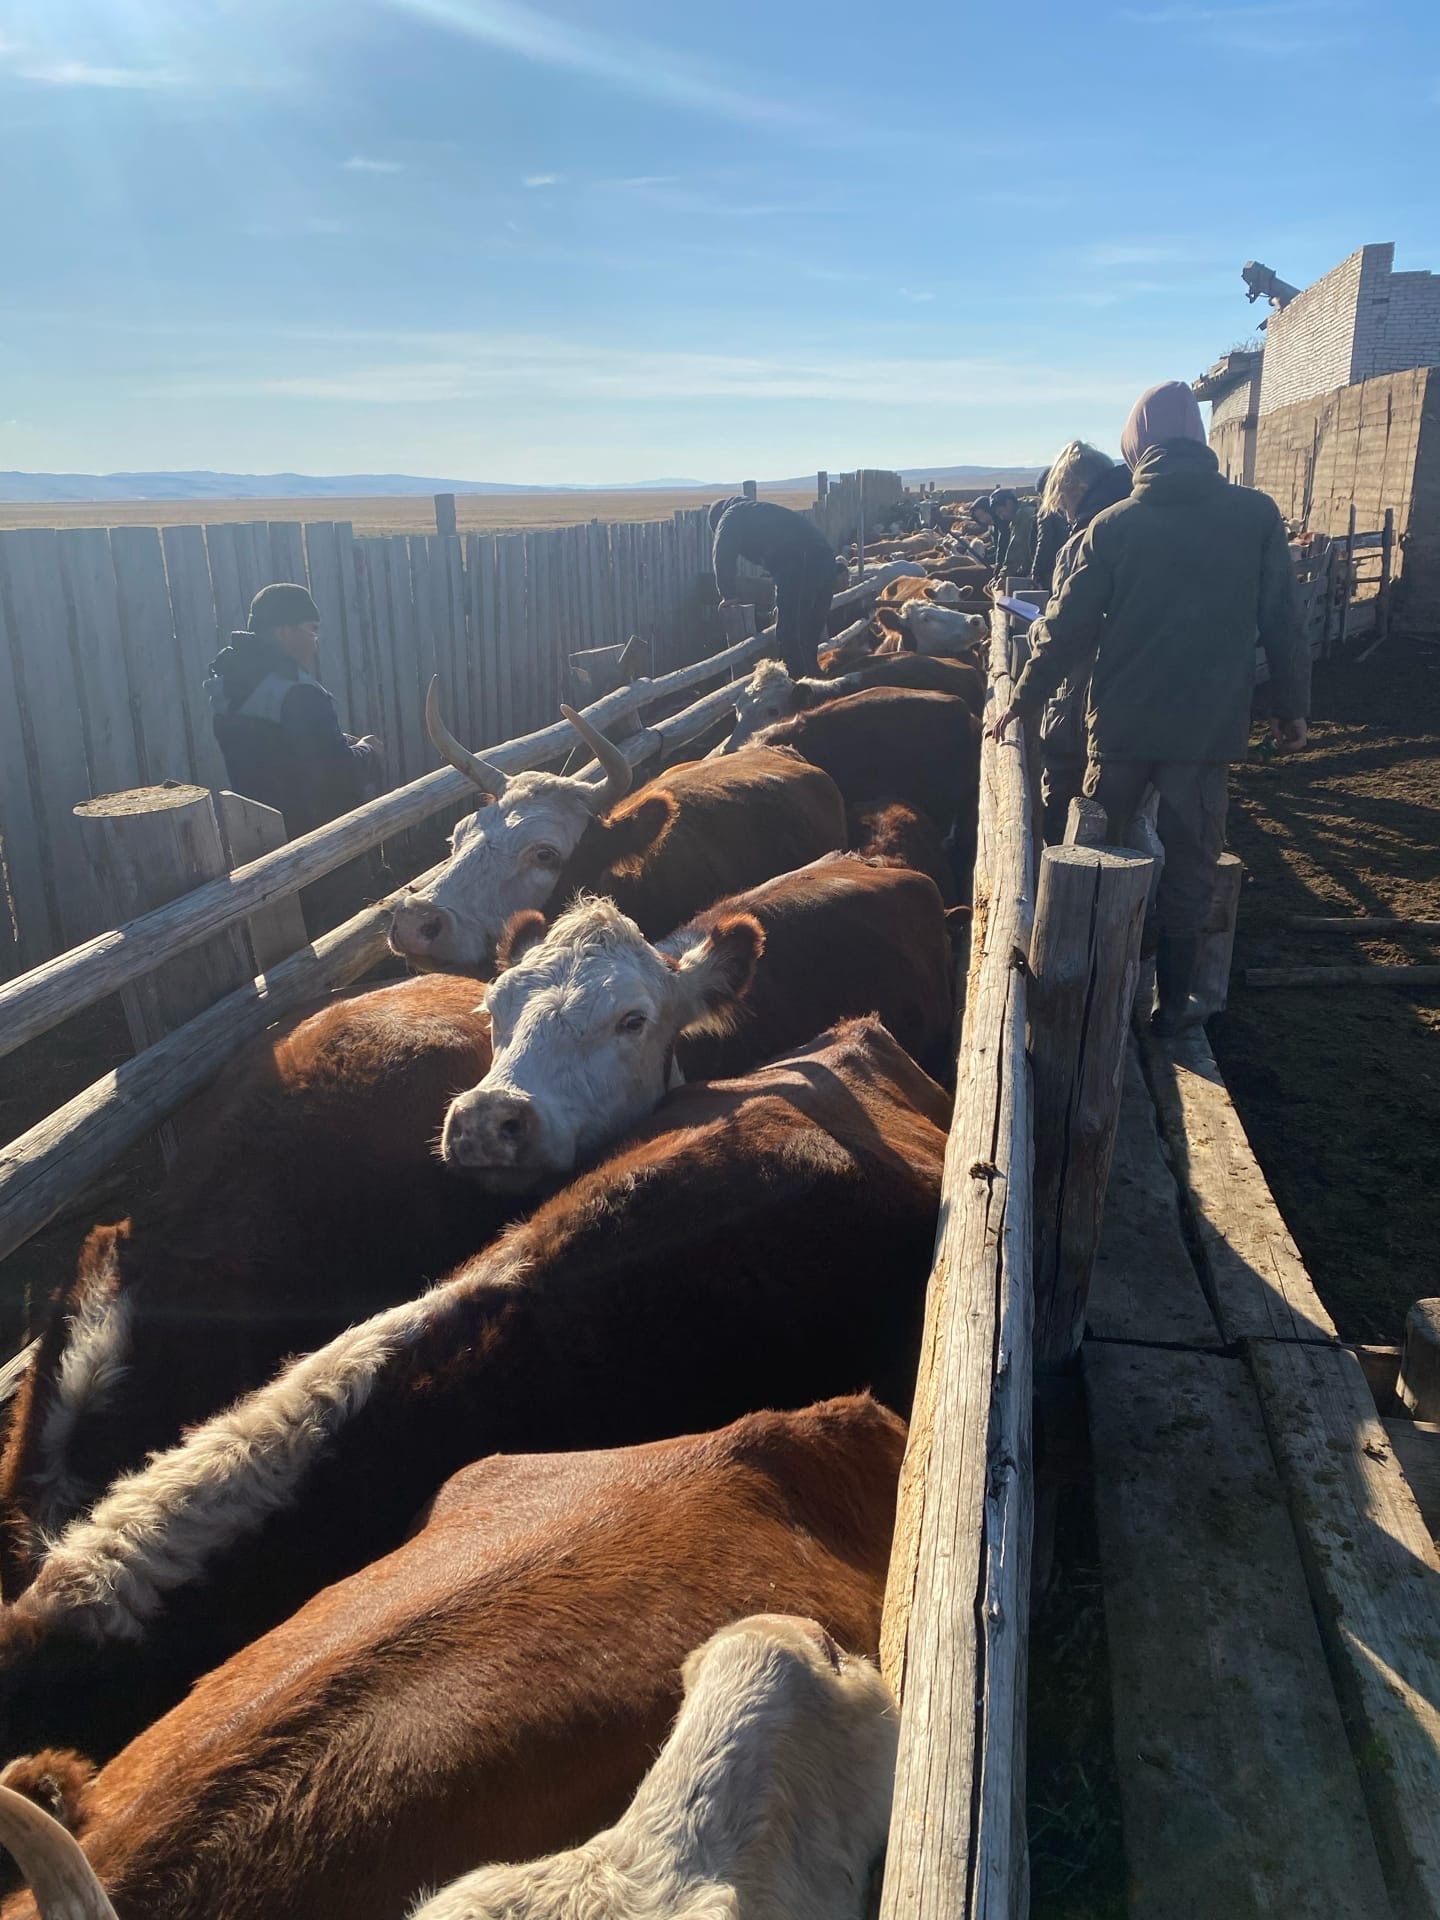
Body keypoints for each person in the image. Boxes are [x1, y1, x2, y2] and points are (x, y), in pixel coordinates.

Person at [992, 379, 1309, 1035]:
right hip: (1206, 729)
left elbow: (1064, 628)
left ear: (1136, 446)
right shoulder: (1255, 516)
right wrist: (1290, 707)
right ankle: (1176, 1003)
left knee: (1103, 849)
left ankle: (1095, 988)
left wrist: (1022, 700)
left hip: (1121, 727)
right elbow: (1283, 619)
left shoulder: (1112, 528)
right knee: (1192, 860)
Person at [207, 583, 385, 935]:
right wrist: (368, 751)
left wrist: (335, 743)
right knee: (338, 935)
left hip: (260, 833)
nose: (316, 643)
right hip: (319, 840)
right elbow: (334, 773)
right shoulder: (296, 690)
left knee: (282, 934)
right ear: (283, 631)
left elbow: (281, 751)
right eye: (312, 630)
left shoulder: (235, 685)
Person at [1030, 442, 1132, 842]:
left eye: (1061, 496)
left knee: (1073, 807)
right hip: (1152, 701)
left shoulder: (1084, 542)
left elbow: (1066, 630)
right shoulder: (1143, 523)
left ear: (1074, 487)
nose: (1060, 508)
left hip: (1087, 700)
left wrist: (1038, 631)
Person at [710, 497, 848, 678]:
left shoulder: (730, 516)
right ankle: (813, 677)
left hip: (798, 563)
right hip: (823, 558)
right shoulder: (759, 510)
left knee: (790, 630)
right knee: (811, 627)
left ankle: (797, 682)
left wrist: (728, 594)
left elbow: (723, 553)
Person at [986, 487, 1039, 582]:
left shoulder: (1024, 517)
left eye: (1001, 511)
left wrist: (1003, 576)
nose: (1002, 517)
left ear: (1009, 503)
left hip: (1041, 571)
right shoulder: (1022, 515)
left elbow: (1016, 549)